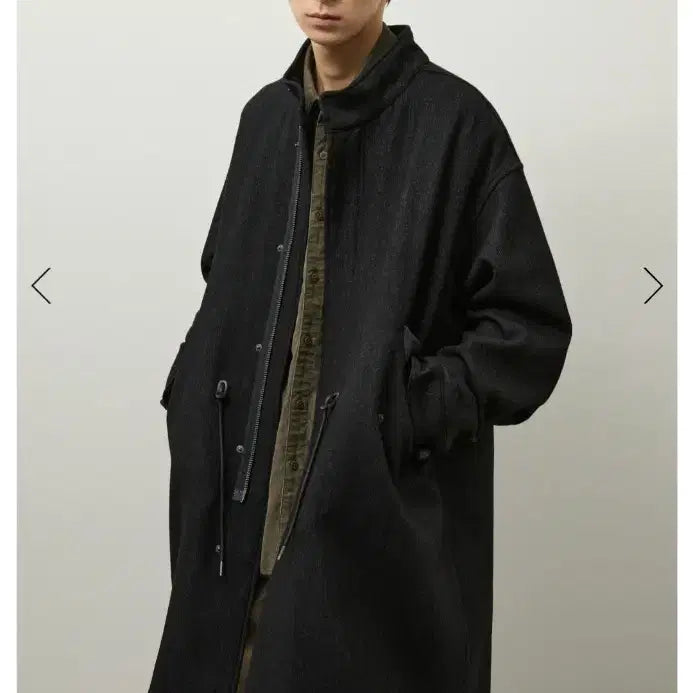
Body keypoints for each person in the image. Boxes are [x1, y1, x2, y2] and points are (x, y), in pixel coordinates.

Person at [149, 2, 573, 692]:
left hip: (372, 528)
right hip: (233, 524)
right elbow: (223, 281)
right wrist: (193, 394)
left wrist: (399, 412)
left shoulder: (455, 123)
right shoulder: (263, 120)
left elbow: (527, 329)